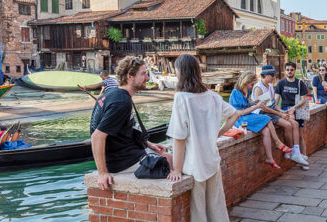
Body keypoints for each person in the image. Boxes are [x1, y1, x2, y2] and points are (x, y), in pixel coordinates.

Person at [167, 54, 239, 222]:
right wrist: (217, 133)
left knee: (198, 212)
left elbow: (179, 138)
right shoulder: (213, 96)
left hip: (194, 163)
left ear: (181, 72)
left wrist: (177, 170)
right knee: (217, 207)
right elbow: (234, 115)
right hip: (212, 159)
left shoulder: (181, 98)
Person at [90, 57, 172, 189]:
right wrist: (103, 173)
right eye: (143, 74)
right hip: (122, 162)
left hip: (126, 153)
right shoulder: (121, 102)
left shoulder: (114, 93)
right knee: (174, 163)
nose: (147, 78)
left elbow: (126, 129)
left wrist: (149, 144)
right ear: (130, 76)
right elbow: (97, 137)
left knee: (169, 156)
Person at [229, 71, 291, 170]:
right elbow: (240, 112)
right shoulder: (237, 92)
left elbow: (245, 105)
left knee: (266, 131)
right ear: (246, 81)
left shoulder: (254, 89)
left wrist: (253, 103)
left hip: (247, 115)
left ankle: (269, 158)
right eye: (251, 84)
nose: (252, 86)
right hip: (239, 119)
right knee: (268, 119)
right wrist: (256, 106)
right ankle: (278, 143)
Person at [253, 65, 307, 167]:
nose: (274, 77)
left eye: (274, 75)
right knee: (288, 125)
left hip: (271, 111)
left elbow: (273, 105)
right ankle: (291, 151)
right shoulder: (258, 88)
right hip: (263, 113)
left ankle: (295, 151)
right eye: (272, 75)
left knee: (294, 124)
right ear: (264, 75)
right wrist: (280, 114)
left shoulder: (270, 87)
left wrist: (283, 112)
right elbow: (263, 108)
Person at [275, 62, 310, 169]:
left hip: (298, 110)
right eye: (288, 69)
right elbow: (275, 102)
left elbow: (305, 99)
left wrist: (294, 108)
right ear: (285, 71)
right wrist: (281, 111)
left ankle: (302, 159)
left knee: (300, 136)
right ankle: (293, 152)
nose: (289, 71)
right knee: (290, 128)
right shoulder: (281, 83)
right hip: (285, 109)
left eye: (291, 69)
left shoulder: (300, 83)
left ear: (295, 70)